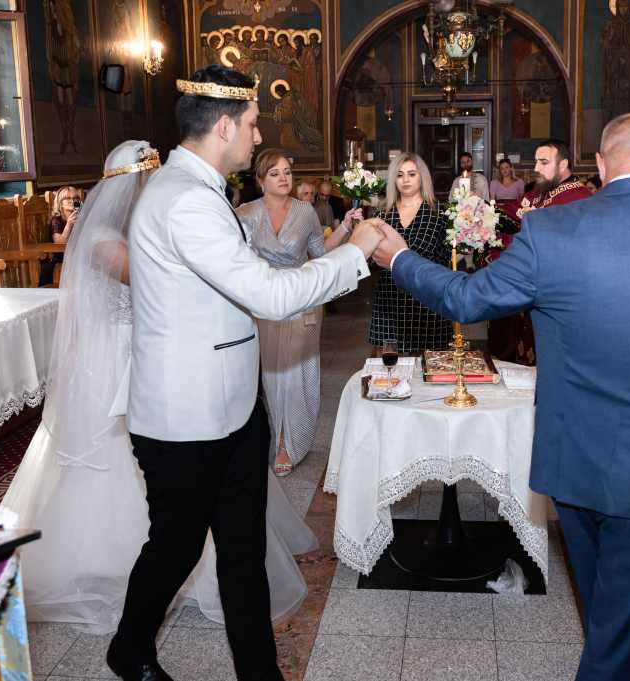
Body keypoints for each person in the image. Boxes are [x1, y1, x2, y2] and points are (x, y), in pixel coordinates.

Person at [370, 112, 630, 681]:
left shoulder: (551, 232)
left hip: (575, 462)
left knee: (607, 615)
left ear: (601, 166)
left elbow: (466, 299)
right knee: (619, 626)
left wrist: (399, 259)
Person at [113, 65, 382, 681]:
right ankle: (129, 648)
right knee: (176, 546)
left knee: (242, 551)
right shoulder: (185, 200)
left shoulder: (201, 189)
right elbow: (269, 294)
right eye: (254, 125)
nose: (259, 137)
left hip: (233, 407)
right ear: (225, 126)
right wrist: (355, 251)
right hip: (186, 415)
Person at [0, 140, 319, 642]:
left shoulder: (150, 223)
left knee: (204, 501)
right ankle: (119, 575)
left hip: (163, 355)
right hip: (121, 359)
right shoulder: (101, 235)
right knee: (135, 483)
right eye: (144, 180)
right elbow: (147, 281)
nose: (151, 188)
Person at [239, 151, 356, 477]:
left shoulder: (305, 212)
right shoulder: (245, 214)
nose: (283, 178)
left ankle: (290, 443)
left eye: (287, 172)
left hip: (303, 301)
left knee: (296, 374)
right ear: (260, 180)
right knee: (271, 375)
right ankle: (277, 435)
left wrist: (346, 229)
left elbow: (319, 254)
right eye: (274, 173)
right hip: (264, 303)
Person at [492, 139, 591, 365]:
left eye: (544, 162)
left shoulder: (579, 198)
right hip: (529, 292)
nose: (536, 168)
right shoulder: (540, 192)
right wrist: (482, 215)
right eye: (536, 162)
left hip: (558, 299)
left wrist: (504, 241)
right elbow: (514, 211)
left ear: (563, 164)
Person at [369, 152, 451, 353]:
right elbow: (371, 259)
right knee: (389, 367)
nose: (405, 180)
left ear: (422, 177)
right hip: (390, 301)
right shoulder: (382, 215)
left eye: (412, 174)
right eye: (399, 175)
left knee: (430, 366)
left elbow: (447, 260)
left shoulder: (440, 213)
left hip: (427, 301)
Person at [38, 186, 81, 285]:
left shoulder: (80, 216)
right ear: (61, 203)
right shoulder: (56, 220)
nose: (72, 201)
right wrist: (69, 224)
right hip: (61, 257)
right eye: (68, 198)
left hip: (77, 253)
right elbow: (59, 243)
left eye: (75, 198)